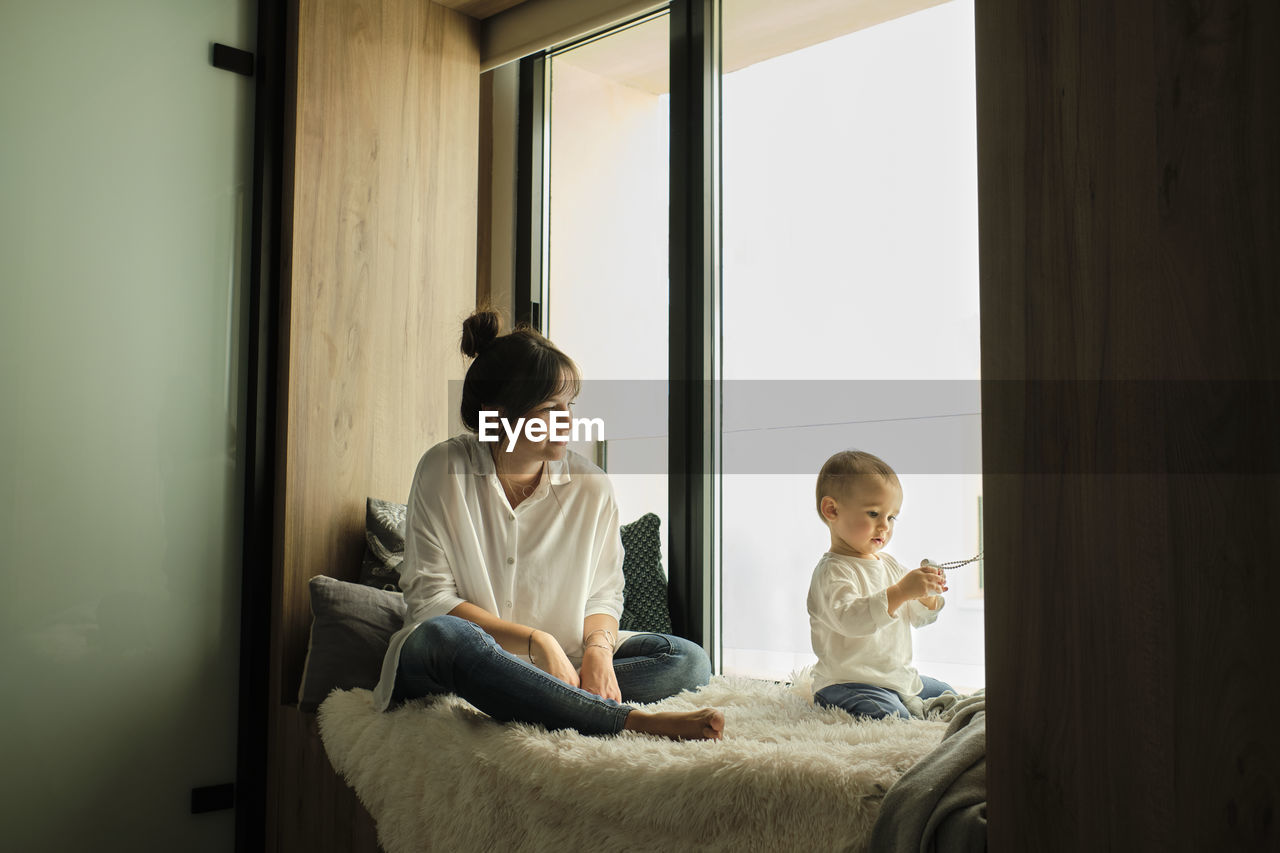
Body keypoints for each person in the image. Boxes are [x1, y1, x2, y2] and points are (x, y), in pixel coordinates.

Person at [371, 310, 723, 740]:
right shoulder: (443, 469)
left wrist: (597, 651)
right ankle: (626, 720)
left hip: (560, 664)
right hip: (456, 661)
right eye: (549, 408)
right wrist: (538, 640)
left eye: (569, 405)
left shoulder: (591, 487)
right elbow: (430, 601)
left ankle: (537, 696)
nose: (568, 421)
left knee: (686, 660)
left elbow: (604, 594)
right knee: (446, 636)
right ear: (498, 413)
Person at [806, 450, 954, 720]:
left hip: (897, 680)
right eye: (874, 513)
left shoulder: (890, 565)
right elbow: (851, 620)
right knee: (892, 717)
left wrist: (927, 597)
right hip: (847, 683)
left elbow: (917, 618)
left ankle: (915, 706)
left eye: (891, 517)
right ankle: (907, 715)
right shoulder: (832, 572)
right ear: (832, 510)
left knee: (948, 695)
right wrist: (900, 591)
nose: (884, 526)